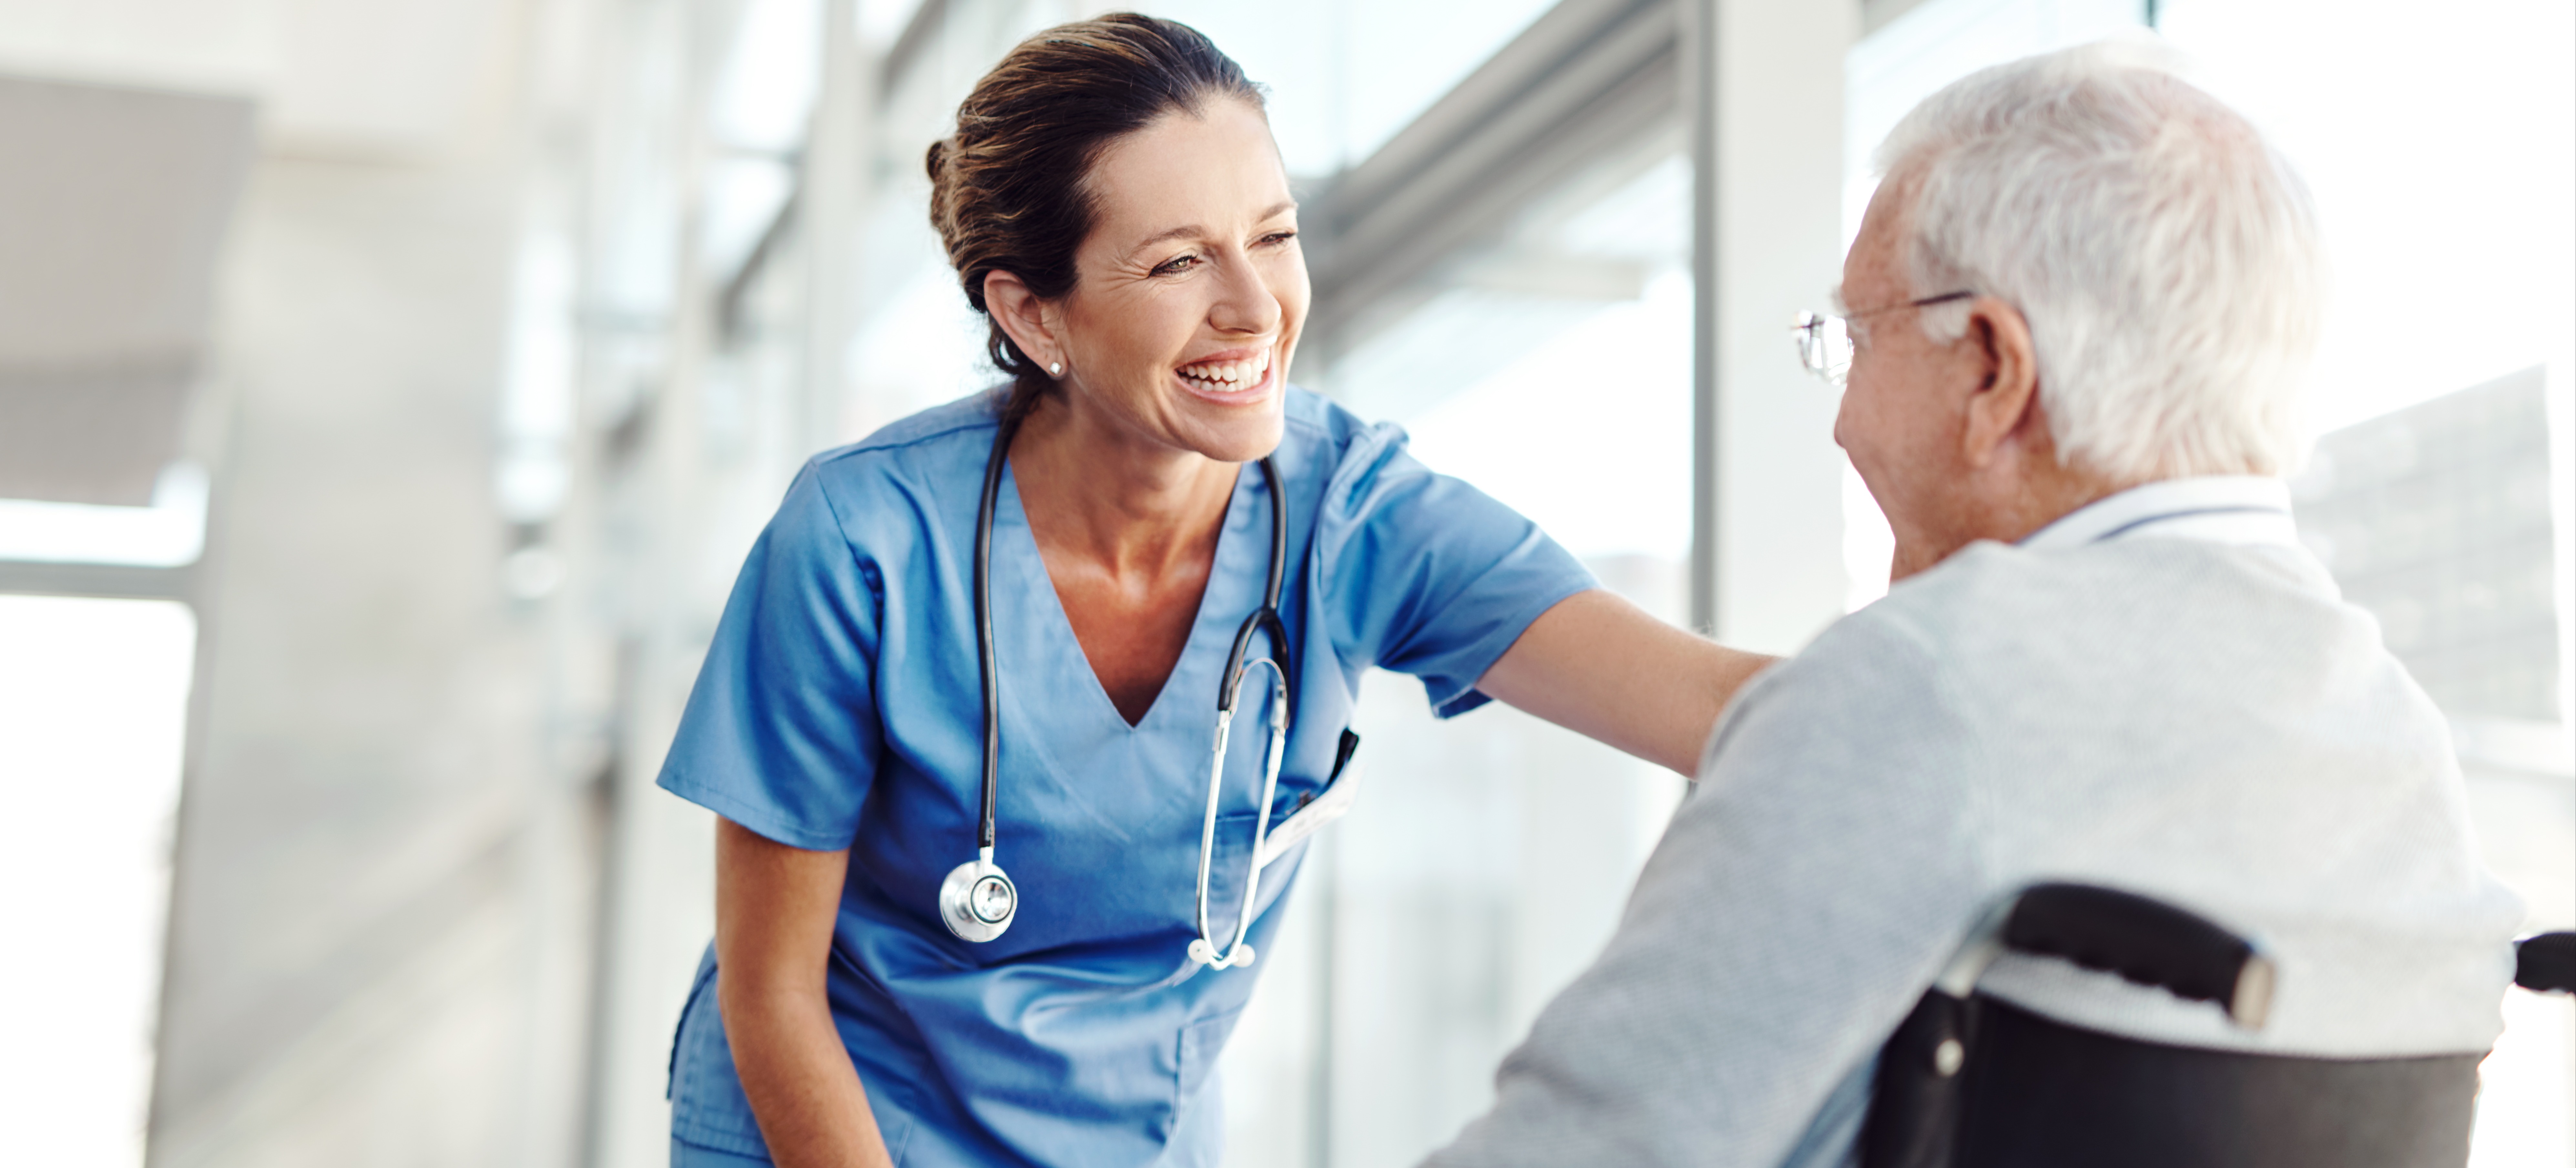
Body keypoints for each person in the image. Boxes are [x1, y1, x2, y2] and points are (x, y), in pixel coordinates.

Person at [653, 14, 1772, 1168]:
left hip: (1133, 1134)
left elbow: (1725, 709)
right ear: (1035, 315)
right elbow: (773, 991)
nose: (1255, 307)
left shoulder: (1355, 515)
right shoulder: (863, 536)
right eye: (1181, 260)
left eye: (1274, 235)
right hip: (832, 1121)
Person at [1420, 42, 2525, 1168]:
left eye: (1856, 336)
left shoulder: (1927, 680)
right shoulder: (2395, 739)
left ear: (1993, 368)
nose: (1843, 416)